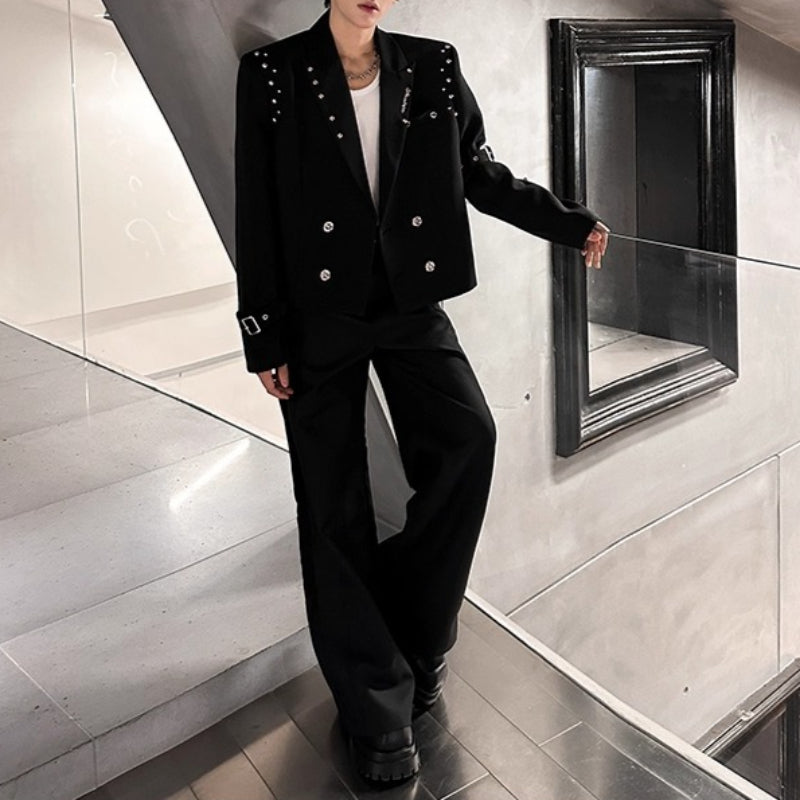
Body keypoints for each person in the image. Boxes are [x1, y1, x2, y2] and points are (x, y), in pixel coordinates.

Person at [234, 0, 608, 786]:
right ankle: (374, 708)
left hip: (408, 303)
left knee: (470, 439)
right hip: (316, 315)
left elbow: (478, 173)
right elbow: (256, 205)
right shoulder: (272, 74)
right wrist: (262, 333)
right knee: (331, 503)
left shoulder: (432, 64)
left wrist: (568, 223)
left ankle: (418, 633)